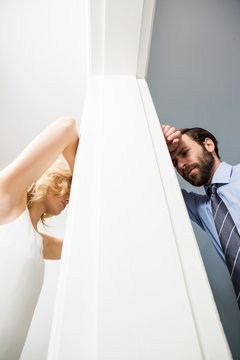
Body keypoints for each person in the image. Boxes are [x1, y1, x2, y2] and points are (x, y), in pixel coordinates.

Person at [0, 117, 79, 359]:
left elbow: (89, 248)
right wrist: (81, 179)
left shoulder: (41, 245)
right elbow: (66, 127)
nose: (71, 197)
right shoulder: (6, 201)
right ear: (52, 178)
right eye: (69, 185)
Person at [162, 124, 240, 309]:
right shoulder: (200, 207)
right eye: (174, 162)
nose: (180, 164)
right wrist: (157, 145)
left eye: (184, 152)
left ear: (209, 145)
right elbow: (153, 182)